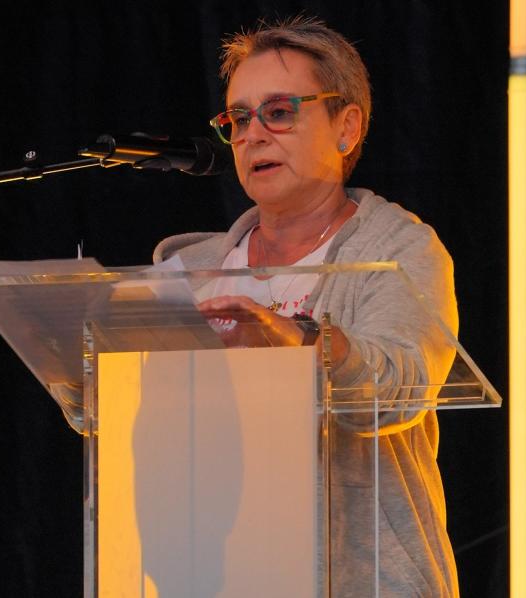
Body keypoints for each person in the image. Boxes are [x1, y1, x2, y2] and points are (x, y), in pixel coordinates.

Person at [152, 16, 461, 597]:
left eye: (279, 111)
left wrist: (295, 338)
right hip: (214, 574)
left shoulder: (396, 251)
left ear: (347, 127)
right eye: (238, 118)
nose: (252, 135)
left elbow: (402, 386)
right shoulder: (190, 273)